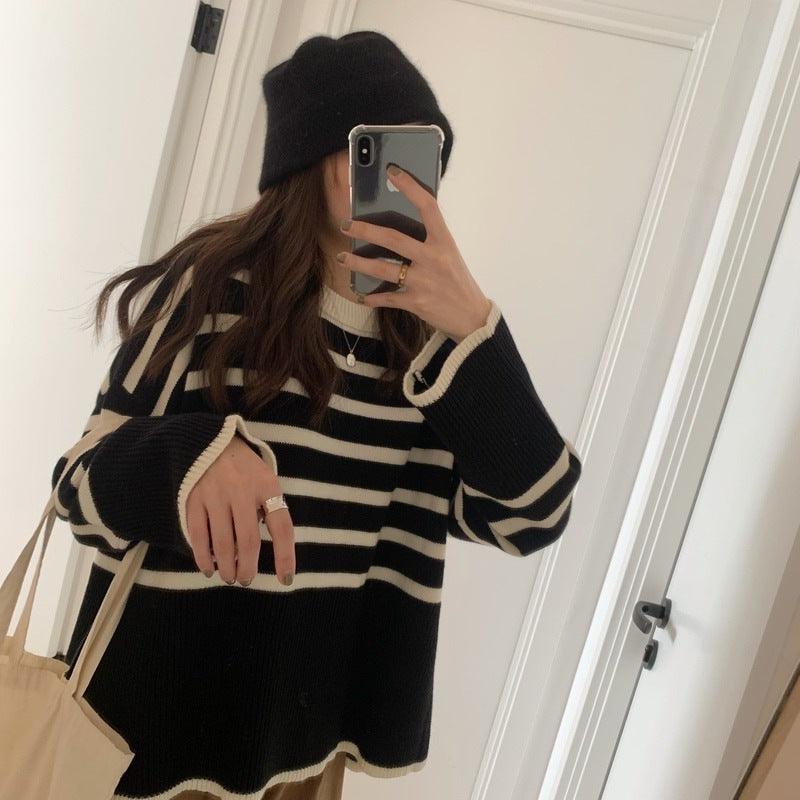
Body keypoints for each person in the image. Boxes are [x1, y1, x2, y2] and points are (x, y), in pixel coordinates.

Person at [52, 30, 582, 800]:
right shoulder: (210, 289)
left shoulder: (434, 351)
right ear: (317, 158)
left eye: (426, 154)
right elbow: (76, 486)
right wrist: (188, 457)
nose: (407, 180)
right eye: (378, 149)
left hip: (306, 759)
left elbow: (535, 515)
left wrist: (473, 320)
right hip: (151, 750)